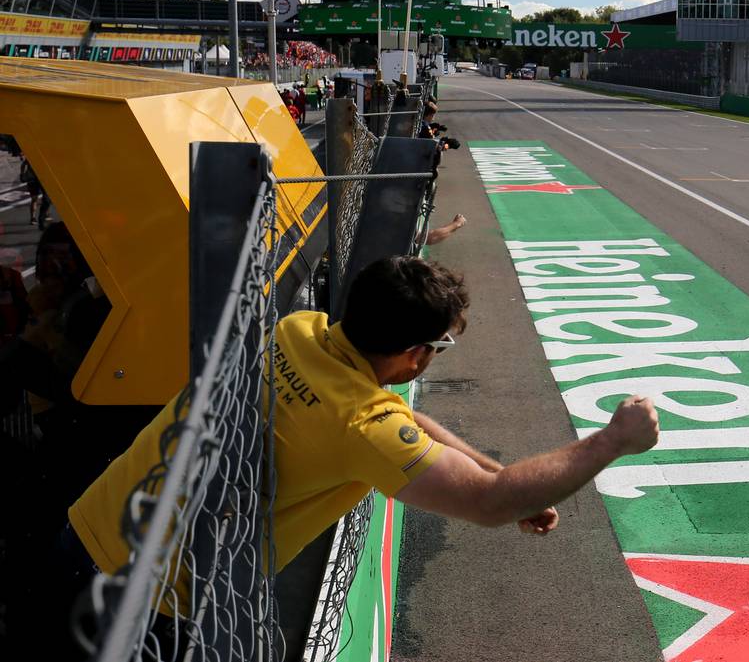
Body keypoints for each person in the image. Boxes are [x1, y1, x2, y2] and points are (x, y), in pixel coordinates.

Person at [61, 257, 659, 640]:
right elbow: (489, 504)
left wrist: (493, 467)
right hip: (149, 604)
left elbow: (407, 420)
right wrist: (610, 441)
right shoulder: (361, 427)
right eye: (440, 347)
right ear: (415, 355)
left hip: (91, 521)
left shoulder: (298, 331)